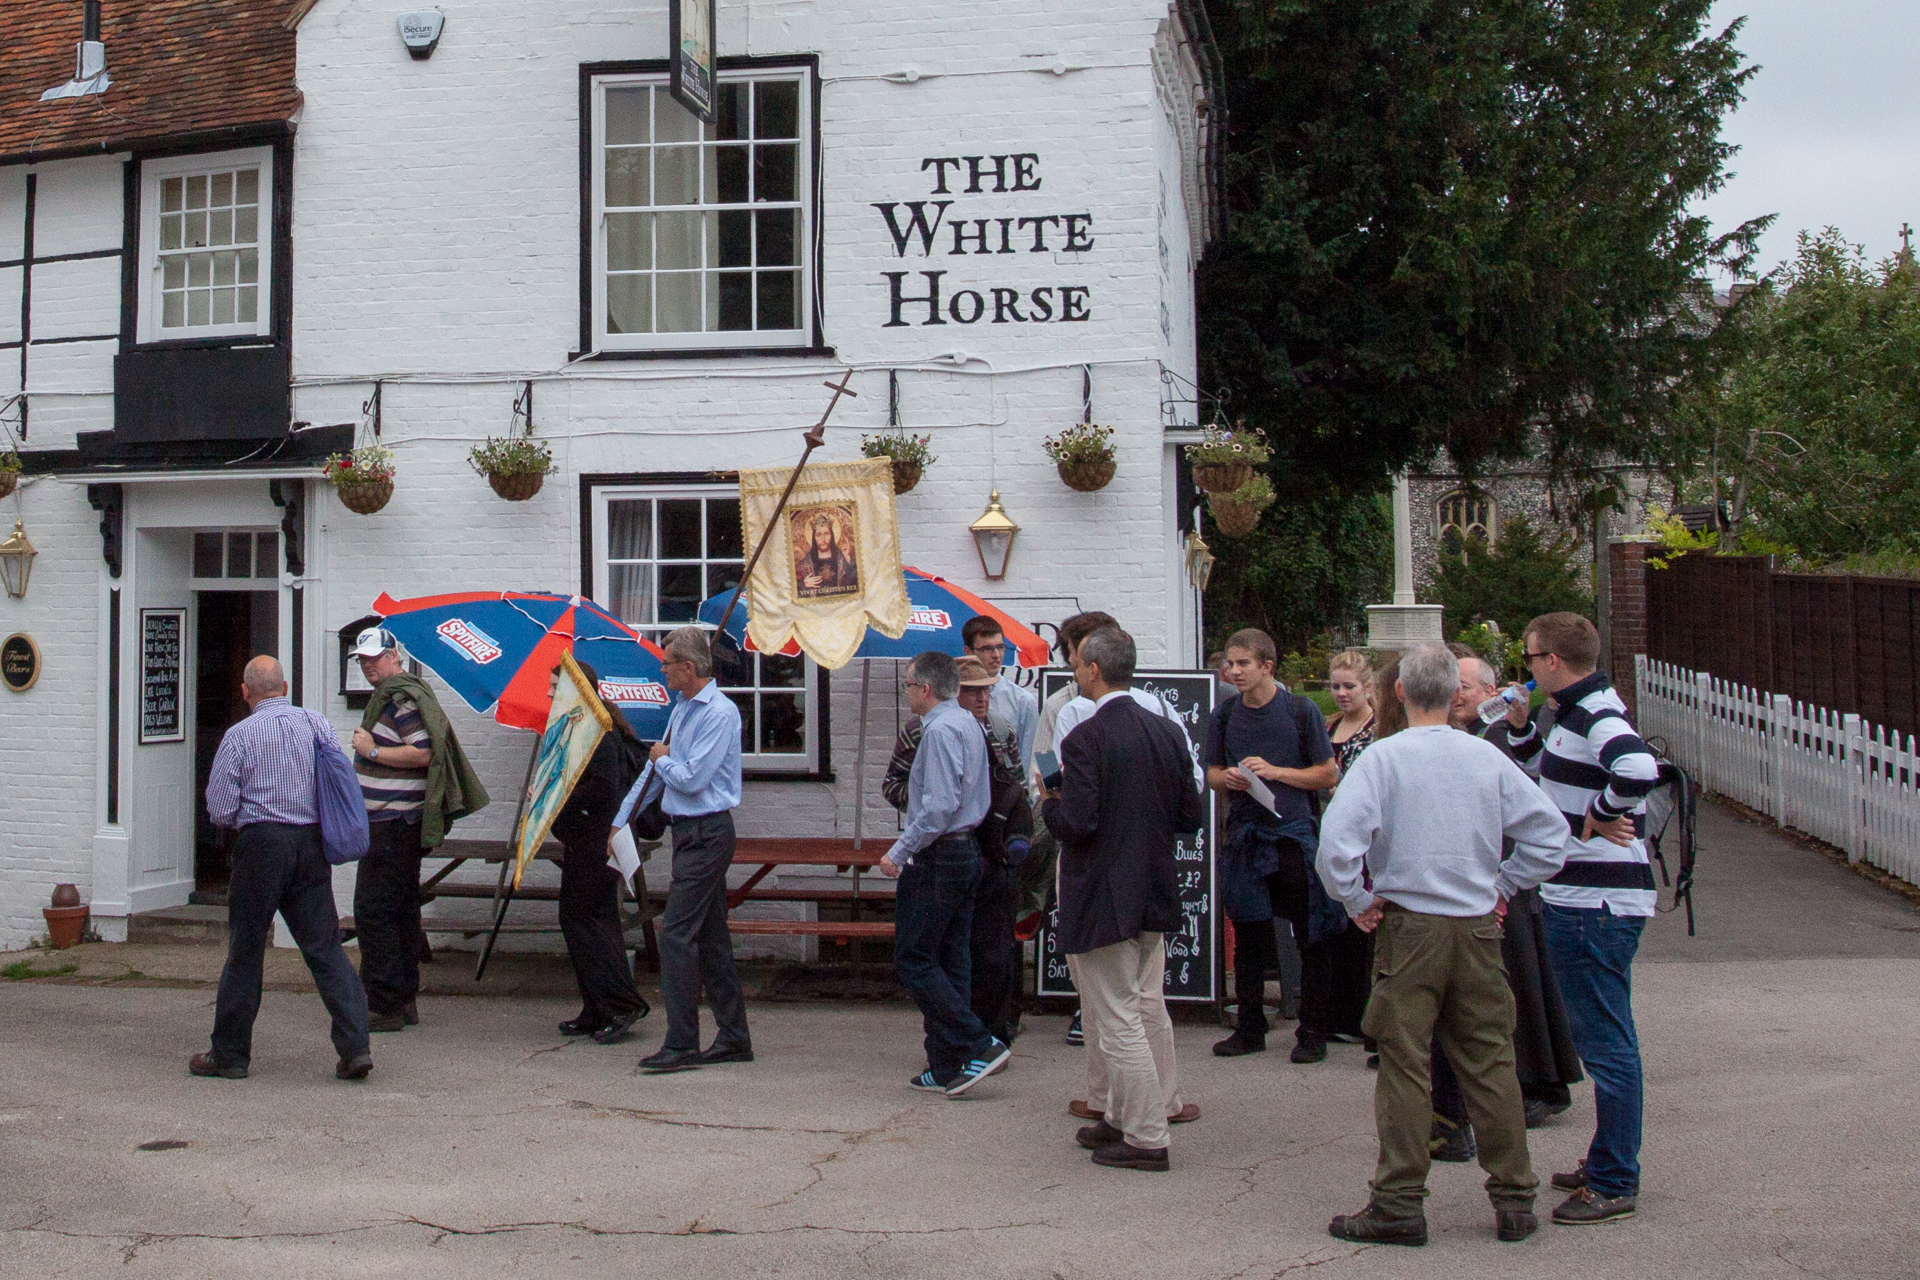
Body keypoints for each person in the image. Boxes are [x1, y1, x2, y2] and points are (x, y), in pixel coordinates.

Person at [1316, 642, 1573, 1247]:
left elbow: (1336, 848)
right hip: (1477, 926)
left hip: (1408, 928)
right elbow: (1550, 836)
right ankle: (1514, 1196)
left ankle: (1400, 1201)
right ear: (1453, 693)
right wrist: (1503, 884)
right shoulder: (1484, 759)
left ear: (1398, 693)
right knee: (1490, 1063)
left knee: (1405, 1066)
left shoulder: (1383, 760)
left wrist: (1356, 900)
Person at [1503, 612, 1660, 1227]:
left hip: (1598, 904)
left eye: (1531, 657)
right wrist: (1521, 731)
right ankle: (1606, 1162)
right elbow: (1548, 779)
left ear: (1554, 662)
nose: (1528, 668)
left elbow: (1637, 770)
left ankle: (1616, 1178)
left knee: (1606, 1042)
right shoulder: (1575, 711)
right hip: (1582, 898)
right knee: (1602, 1034)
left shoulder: (1599, 714)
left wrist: (1599, 814)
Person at [1042, 626, 1205, 1172]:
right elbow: (1189, 815)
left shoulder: (1085, 738)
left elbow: (1077, 823)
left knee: (1115, 1016)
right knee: (1136, 1002)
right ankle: (1118, 1114)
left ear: (1092, 670)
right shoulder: (1165, 731)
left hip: (1103, 891)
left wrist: (1051, 802)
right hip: (1155, 885)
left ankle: (1146, 1136)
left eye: (1078, 665)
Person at [195, 656, 372, 1082]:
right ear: (286, 687)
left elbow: (219, 809)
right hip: (310, 844)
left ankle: (231, 1054)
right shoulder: (316, 724)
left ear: (245, 692)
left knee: (246, 950)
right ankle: (355, 1048)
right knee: (325, 948)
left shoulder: (238, 736)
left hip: (261, 845)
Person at [618, 627, 751, 1074]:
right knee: (711, 937)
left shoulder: (719, 714)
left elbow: (691, 778)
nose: (662, 670)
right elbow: (653, 775)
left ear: (688, 668)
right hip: (689, 833)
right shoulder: (681, 709)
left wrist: (661, 759)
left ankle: (681, 1043)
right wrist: (620, 821)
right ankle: (733, 1036)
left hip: (708, 832)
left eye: (667, 663)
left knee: (676, 934)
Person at [1205, 629, 1341, 1063]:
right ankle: (1250, 1025)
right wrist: (1225, 778)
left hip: (1292, 835)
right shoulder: (1224, 716)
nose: (1234, 670)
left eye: (1244, 663)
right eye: (1230, 662)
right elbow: (1210, 770)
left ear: (1268, 666)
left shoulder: (1300, 712)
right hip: (1245, 834)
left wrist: (1277, 773)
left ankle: (1313, 1029)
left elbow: (1326, 774)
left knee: (1309, 932)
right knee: (1248, 932)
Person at [876, 651, 1009, 1096]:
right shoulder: (968, 723)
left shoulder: (939, 731)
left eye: (909, 685)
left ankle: (978, 1043)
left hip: (940, 854)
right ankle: (947, 1062)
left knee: (913, 958)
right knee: (952, 958)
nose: (908, 692)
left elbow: (936, 808)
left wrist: (899, 850)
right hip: (964, 849)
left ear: (926, 688)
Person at [346, 627, 489, 1033]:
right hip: (395, 825)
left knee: (374, 913)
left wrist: (370, 750)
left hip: (392, 824)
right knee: (402, 910)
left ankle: (385, 1003)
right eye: (363, 659)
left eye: (375, 657)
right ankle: (402, 998)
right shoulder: (396, 697)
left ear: (395, 656)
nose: (369, 665)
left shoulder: (402, 700)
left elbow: (424, 753)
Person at [539, 660, 650, 1046]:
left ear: (575, 691)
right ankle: (596, 1007)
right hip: (584, 842)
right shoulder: (579, 728)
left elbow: (605, 787)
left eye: (556, 686)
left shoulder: (599, 732)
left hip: (598, 843)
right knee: (578, 919)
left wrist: (558, 794)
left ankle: (620, 1003)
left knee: (591, 921)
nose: (550, 693)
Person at [963, 614, 1040, 772]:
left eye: (1000, 647)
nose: (997, 655)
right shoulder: (953, 696)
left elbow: (1028, 760)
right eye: (987, 648)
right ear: (968, 651)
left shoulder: (1022, 701)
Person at [1326, 649, 1376, 776]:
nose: (1341, 693)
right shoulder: (1326, 726)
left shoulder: (1380, 729)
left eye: (1349, 686)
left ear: (1367, 687)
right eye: (1335, 687)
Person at [795, 512, 857, 595]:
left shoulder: (842, 558)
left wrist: (847, 557)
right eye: (818, 535)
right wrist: (804, 583)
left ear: (832, 536)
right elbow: (792, 587)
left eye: (826, 534)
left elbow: (856, 581)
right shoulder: (805, 563)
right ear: (814, 538)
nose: (823, 539)